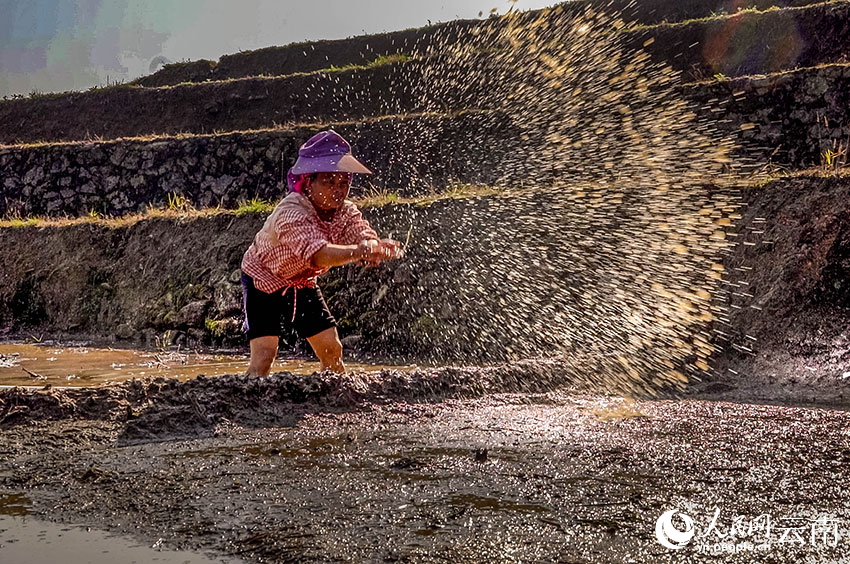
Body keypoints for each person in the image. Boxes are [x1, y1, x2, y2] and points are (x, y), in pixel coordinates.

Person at [240, 130, 402, 376]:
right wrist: (359, 251)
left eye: (343, 182)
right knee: (264, 354)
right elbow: (318, 255)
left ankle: (334, 397)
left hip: (302, 281)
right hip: (263, 279)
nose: (338, 190)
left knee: (332, 349)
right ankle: (249, 400)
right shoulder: (292, 212)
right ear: (308, 182)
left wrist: (374, 246)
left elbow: (360, 232)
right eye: (328, 181)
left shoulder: (345, 212)